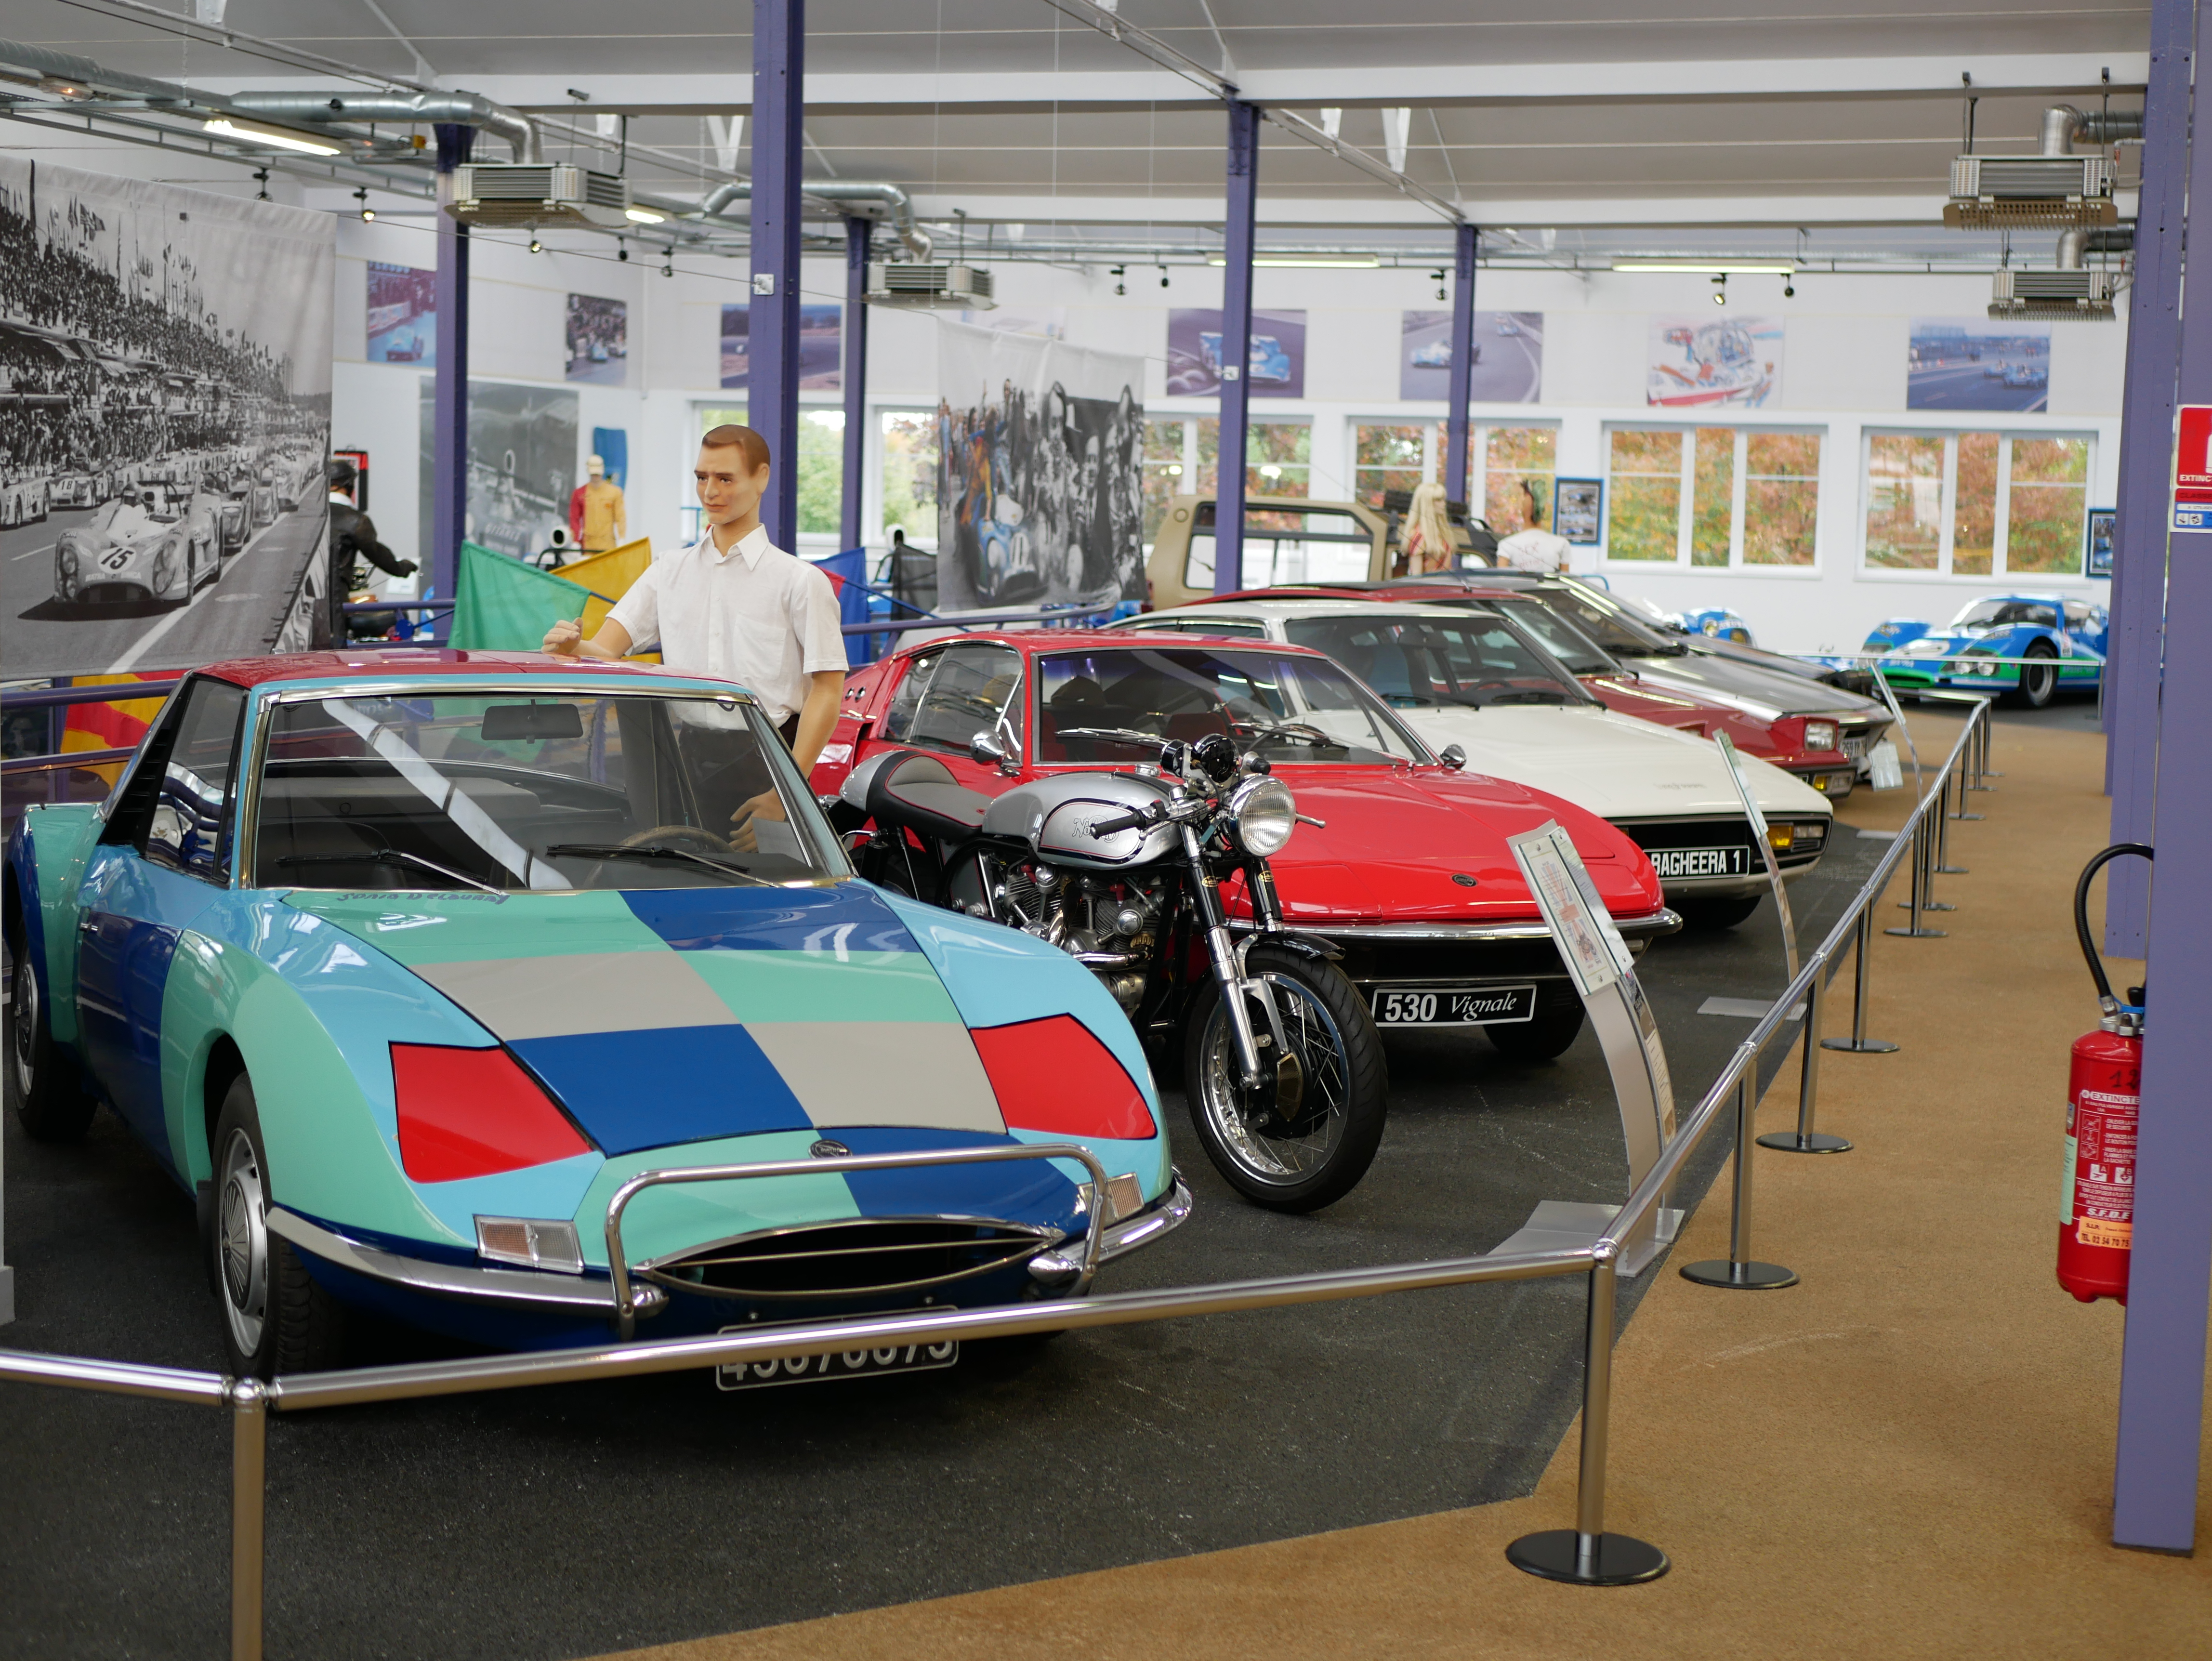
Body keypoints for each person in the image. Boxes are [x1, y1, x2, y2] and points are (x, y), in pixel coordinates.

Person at [541, 423, 846, 845]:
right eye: (702, 478)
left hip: (770, 760)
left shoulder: (799, 581)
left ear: (762, 477)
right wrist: (574, 647)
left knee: (776, 899)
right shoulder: (670, 570)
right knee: (686, 881)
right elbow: (606, 652)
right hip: (684, 757)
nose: (710, 491)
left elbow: (828, 691)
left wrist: (786, 797)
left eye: (725, 478)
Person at [323, 459, 416, 646]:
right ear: (350, 486)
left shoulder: (311, 516)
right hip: (334, 597)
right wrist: (403, 568)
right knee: (334, 649)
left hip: (304, 597)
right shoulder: (355, 520)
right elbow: (376, 553)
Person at [1494, 489, 1572, 574]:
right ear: (1543, 512)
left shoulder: (1506, 544)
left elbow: (1502, 580)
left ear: (1523, 511)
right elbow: (1566, 581)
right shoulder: (1562, 544)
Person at [567, 452, 627, 552]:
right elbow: (574, 518)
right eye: (593, 474)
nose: (596, 476)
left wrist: (622, 538)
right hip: (588, 546)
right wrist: (576, 541)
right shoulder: (580, 493)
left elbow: (620, 517)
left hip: (608, 546)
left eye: (597, 474)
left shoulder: (615, 492)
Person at [1396, 480, 1457, 577]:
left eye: (1443, 499)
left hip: (1444, 587)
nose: (1444, 504)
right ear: (1427, 504)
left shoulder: (1443, 533)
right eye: (1438, 500)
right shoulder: (1418, 536)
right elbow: (1416, 577)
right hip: (1428, 589)